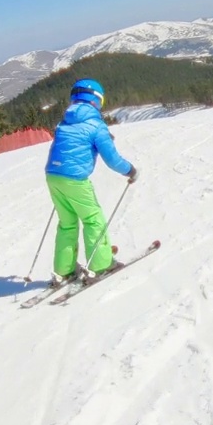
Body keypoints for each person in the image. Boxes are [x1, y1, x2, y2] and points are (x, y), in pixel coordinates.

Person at [44, 78, 138, 285]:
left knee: (67, 224)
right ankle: (101, 265)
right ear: (97, 100)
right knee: (93, 220)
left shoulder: (64, 122)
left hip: (53, 176)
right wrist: (130, 171)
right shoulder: (96, 126)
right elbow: (112, 160)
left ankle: (64, 270)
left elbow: (72, 143)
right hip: (75, 180)